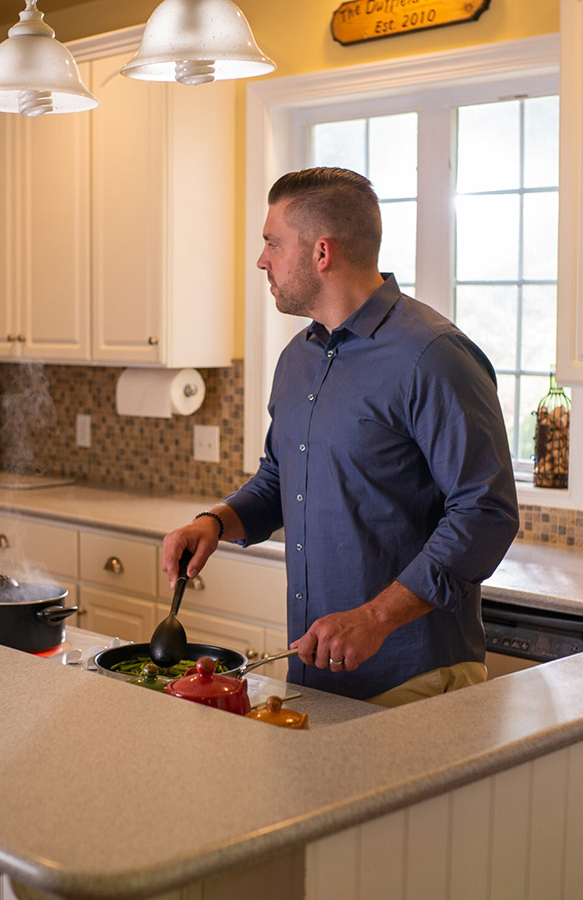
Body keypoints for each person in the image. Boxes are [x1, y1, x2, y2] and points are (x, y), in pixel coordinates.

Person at [162, 167, 519, 706]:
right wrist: (215, 521)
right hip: (317, 674)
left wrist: (375, 619)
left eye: (272, 244)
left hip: (415, 680)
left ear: (321, 252)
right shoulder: (297, 358)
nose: (262, 260)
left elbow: (486, 513)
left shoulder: (434, 356)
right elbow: (282, 478)